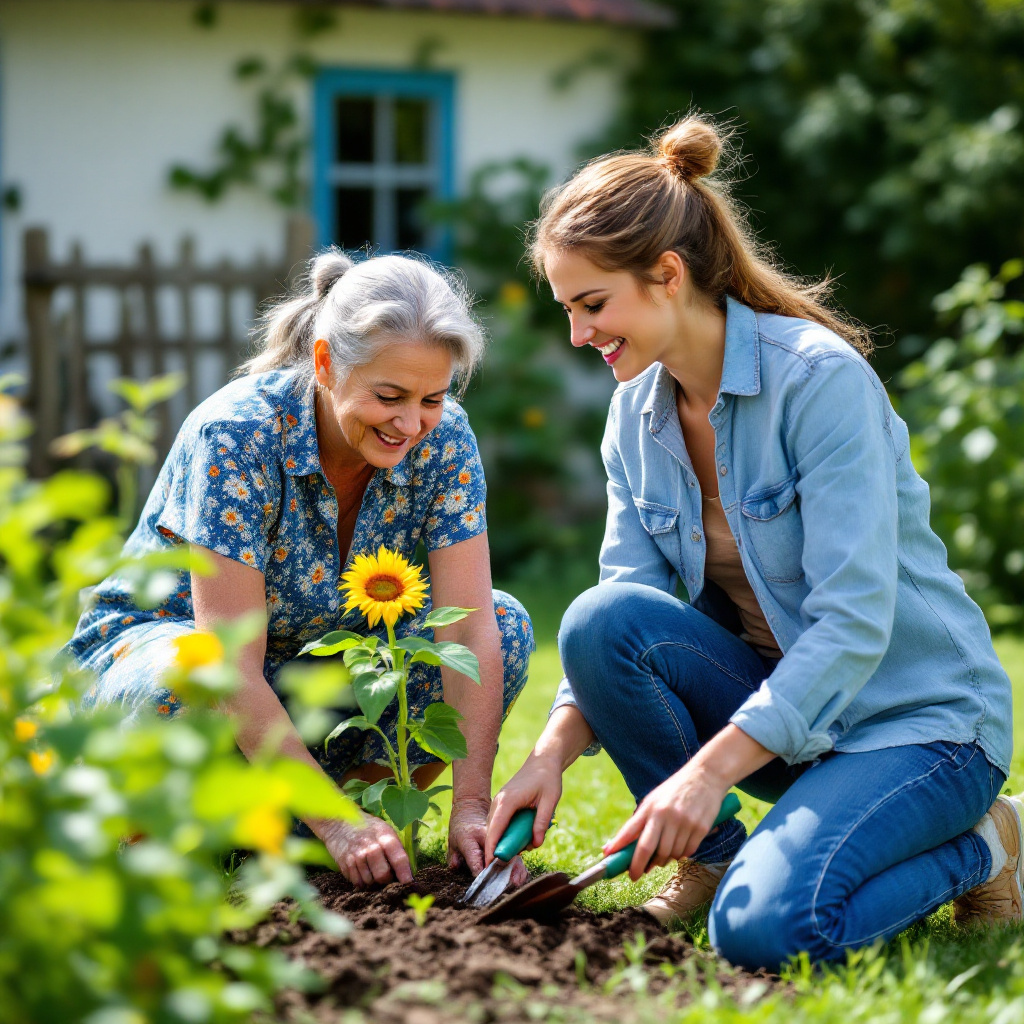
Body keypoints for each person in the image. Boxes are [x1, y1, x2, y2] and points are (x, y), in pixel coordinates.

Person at [485, 114, 1018, 971]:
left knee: (767, 933)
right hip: (787, 723)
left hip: (916, 725)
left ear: (666, 275)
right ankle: (714, 857)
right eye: (569, 310)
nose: (579, 335)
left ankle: (988, 845)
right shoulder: (635, 415)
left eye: (592, 306)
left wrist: (702, 777)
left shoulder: (818, 381)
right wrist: (549, 755)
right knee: (598, 620)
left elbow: (852, 624)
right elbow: (631, 607)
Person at [66, 251, 534, 890]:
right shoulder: (237, 435)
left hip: (307, 670)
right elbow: (226, 660)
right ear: (324, 364)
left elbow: (470, 631)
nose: (410, 424)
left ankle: (343, 838)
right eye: (388, 396)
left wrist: (472, 805)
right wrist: (333, 820)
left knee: (505, 626)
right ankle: (163, 841)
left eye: (432, 397)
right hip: (169, 665)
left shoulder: (444, 437)